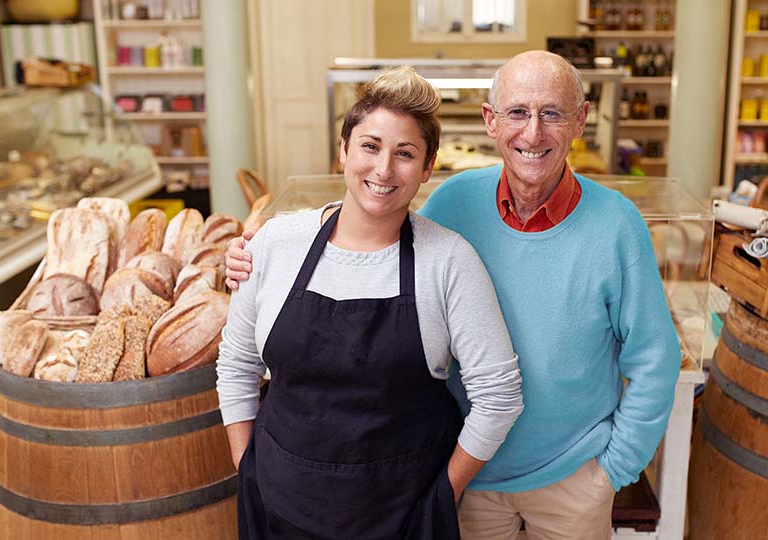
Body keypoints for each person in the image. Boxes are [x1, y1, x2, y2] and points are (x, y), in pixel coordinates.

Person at [226, 51, 680, 540]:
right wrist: (263, 250)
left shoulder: (616, 225)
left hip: (569, 478)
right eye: (518, 113)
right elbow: (375, 219)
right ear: (491, 120)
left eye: (552, 113)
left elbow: (655, 358)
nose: (533, 133)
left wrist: (613, 470)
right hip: (469, 478)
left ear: (580, 121)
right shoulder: (454, 202)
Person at [216, 66, 523, 540]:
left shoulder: (448, 261)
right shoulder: (276, 243)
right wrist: (249, 469)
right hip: (277, 508)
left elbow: (499, 396)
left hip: (403, 516)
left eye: (405, 153)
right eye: (370, 146)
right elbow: (236, 365)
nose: (383, 169)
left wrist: (443, 493)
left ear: (427, 167)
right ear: (343, 151)